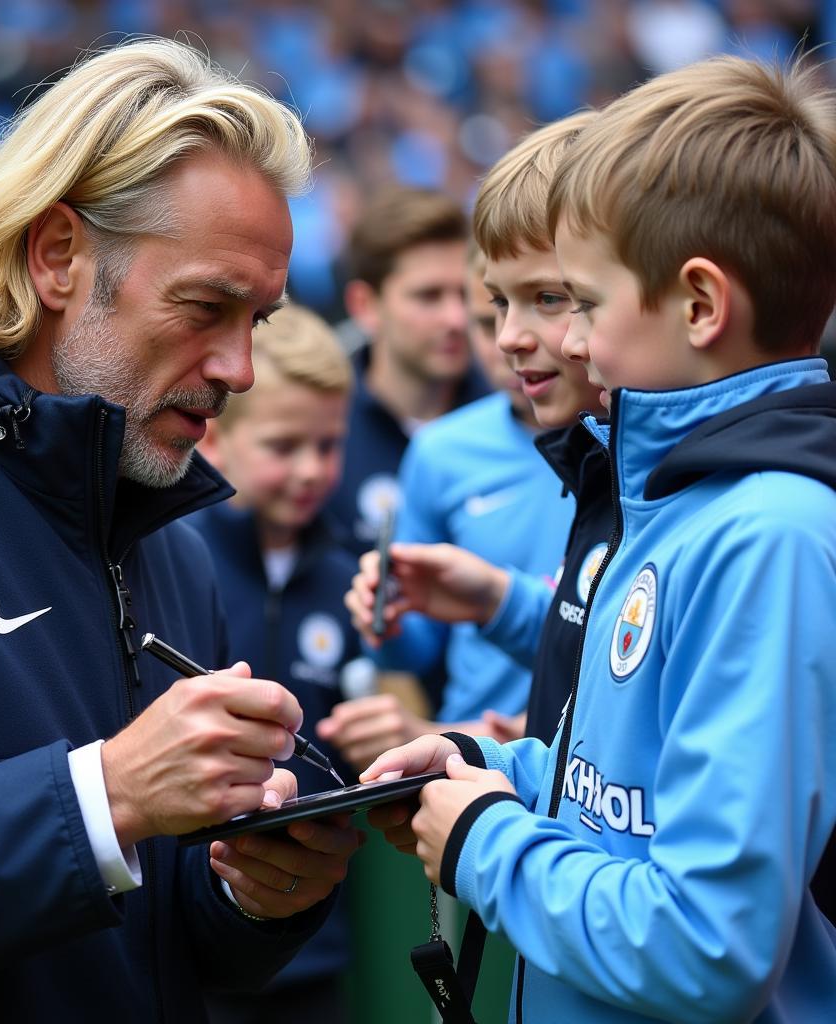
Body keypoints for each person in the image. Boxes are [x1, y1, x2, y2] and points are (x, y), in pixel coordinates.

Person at [0, 39, 362, 1023]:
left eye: (261, 321)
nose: (239, 367)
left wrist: (252, 892)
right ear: (58, 255)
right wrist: (100, 799)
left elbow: (158, 943)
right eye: (204, 306)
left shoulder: (168, 535)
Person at [363, 55, 836, 1022]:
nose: (564, 341)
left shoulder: (770, 538)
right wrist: (488, 770)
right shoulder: (671, 503)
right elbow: (622, 799)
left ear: (700, 305)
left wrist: (486, 841)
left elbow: (709, 946)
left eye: (583, 300)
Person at [337, 112, 607, 761]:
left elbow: (619, 661)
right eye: (495, 312)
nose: (505, 339)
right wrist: (390, 621)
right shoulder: (441, 450)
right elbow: (420, 646)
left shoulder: (640, 458)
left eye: (549, 298)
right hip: (487, 772)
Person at [192, 304, 365, 1024]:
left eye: (328, 446)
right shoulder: (177, 563)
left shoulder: (346, 577)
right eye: (284, 445)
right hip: (198, 930)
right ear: (216, 441)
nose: (311, 470)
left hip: (314, 939)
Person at [324, 186, 489, 561]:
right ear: (365, 306)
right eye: (428, 296)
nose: (457, 318)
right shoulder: (323, 428)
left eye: (464, 294)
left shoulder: (514, 416)